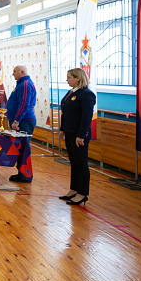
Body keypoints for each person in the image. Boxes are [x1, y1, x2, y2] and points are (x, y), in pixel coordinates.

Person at [59, 68, 96, 206]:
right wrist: (62, 129)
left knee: (80, 163)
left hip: (79, 134)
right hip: (69, 131)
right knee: (73, 162)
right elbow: (66, 112)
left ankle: (82, 193)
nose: (67, 79)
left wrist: (81, 135)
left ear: (78, 78)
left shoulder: (86, 94)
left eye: (69, 77)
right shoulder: (71, 92)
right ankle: (73, 189)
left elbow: (86, 118)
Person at [5, 64, 37, 183]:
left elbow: (24, 104)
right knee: (19, 147)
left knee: (24, 148)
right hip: (21, 120)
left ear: (22, 72)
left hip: (23, 121)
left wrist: (17, 120)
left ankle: (25, 175)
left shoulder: (25, 84)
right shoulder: (22, 83)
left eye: (15, 71)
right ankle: (21, 173)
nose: (12, 74)